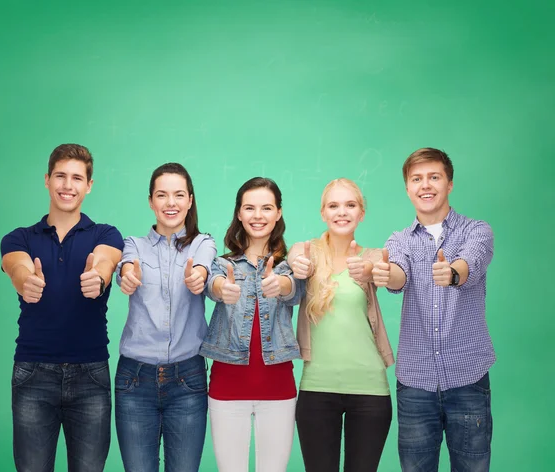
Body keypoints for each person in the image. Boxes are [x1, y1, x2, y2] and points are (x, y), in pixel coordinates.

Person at [0, 143, 123, 472]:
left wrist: (98, 276)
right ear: (47, 180)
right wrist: (26, 281)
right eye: (60, 176)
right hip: (33, 374)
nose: (68, 185)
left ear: (89, 185)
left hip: (91, 376)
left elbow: (106, 261)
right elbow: (16, 267)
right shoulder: (20, 238)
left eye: (77, 178)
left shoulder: (105, 233)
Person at [372, 148, 495, 472]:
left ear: (449, 184)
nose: (425, 185)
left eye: (434, 177)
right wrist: (387, 276)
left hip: (468, 377)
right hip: (416, 383)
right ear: (408, 188)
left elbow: (473, 260)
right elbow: (398, 272)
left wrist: (454, 273)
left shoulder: (476, 231)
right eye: (417, 179)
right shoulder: (398, 239)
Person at [114, 163, 216, 472]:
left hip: (188, 379)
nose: (170, 203)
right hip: (135, 380)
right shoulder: (134, 244)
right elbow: (126, 267)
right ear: (150, 201)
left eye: (178, 195)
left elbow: (202, 267)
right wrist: (128, 276)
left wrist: (198, 278)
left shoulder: (202, 243)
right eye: (162, 195)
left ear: (190, 200)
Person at [288, 178, 394, 472]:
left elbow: (387, 271)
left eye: (350, 205)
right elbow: (295, 259)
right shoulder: (306, 251)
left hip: (370, 392)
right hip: (316, 390)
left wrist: (373, 270)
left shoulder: (372, 257)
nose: (342, 212)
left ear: (361, 213)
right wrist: (299, 266)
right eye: (333, 205)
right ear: (323, 213)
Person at [199, 177, 301, 472]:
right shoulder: (221, 263)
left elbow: (295, 290)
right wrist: (222, 289)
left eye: (267, 208)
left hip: (279, 388)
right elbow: (211, 284)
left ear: (278, 213)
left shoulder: (291, 264)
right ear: (239, 213)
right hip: (227, 387)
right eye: (250, 208)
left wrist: (281, 284)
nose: (258, 216)